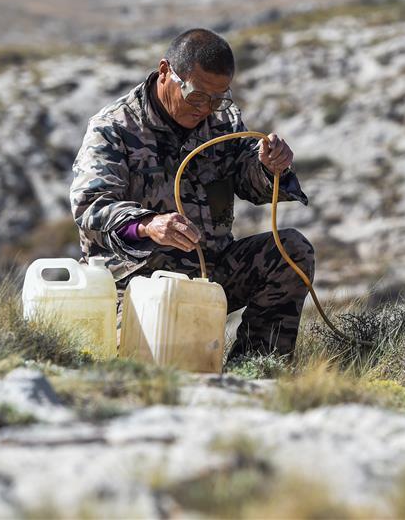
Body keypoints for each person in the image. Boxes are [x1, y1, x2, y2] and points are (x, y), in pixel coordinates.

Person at [70, 28, 313, 360]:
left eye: (218, 98)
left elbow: (247, 180)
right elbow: (91, 204)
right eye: (197, 96)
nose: (206, 109)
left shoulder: (222, 119)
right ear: (166, 72)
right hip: (135, 284)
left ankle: (258, 370)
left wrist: (270, 167)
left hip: (208, 274)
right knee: (147, 364)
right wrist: (146, 225)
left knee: (291, 250)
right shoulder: (113, 128)